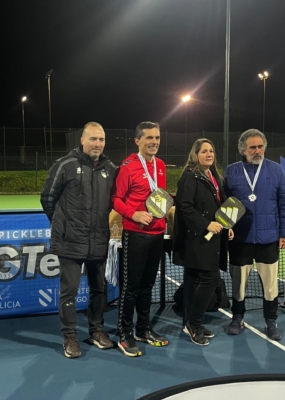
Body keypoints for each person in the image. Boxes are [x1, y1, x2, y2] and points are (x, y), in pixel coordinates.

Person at [40, 121, 116, 358]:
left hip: (99, 240)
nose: (97, 143)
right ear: (82, 140)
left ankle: (96, 331)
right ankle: (70, 336)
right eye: (93, 139)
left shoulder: (110, 168)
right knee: (69, 291)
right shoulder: (65, 165)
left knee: (99, 289)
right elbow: (47, 198)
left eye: (101, 139)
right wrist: (63, 224)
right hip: (70, 241)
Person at [223, 128, 285, 341]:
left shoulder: (276, 170)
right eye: (252, 147)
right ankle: (237, 317)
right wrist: (226, 227)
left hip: (269, 239)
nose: (257, 151)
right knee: (238, 284)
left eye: (260, 146)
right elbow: (224, 204)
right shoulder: (232, 171)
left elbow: (284, 204)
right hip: (240, 239)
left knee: (270, 286)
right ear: (243, 149)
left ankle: (271, 321)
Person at [112, 121, 169, 357]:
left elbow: (159, 196)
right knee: (131, 287)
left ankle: (143, 330)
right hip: (135, 234)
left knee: (147, 286)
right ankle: (124, 334)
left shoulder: (161, 165)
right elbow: (116, 199)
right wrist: (133, 214)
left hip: (157, 234)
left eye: (157, 138)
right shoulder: (127, 167)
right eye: (149, 138)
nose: (154, 142)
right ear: (138, 141)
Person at [173, 138, 234, 346]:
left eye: (211, 151)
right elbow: (185, 207)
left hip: (211, 239)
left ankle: (189, 323)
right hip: (196, 240)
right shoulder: (190, 177)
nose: (209, 154)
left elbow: (221, 207)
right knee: (210, 279)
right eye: (204, 151)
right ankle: (195, 324)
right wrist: (206, 224)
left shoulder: (214, 176)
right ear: (195, 154)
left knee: (193, 282)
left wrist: (227, 225)